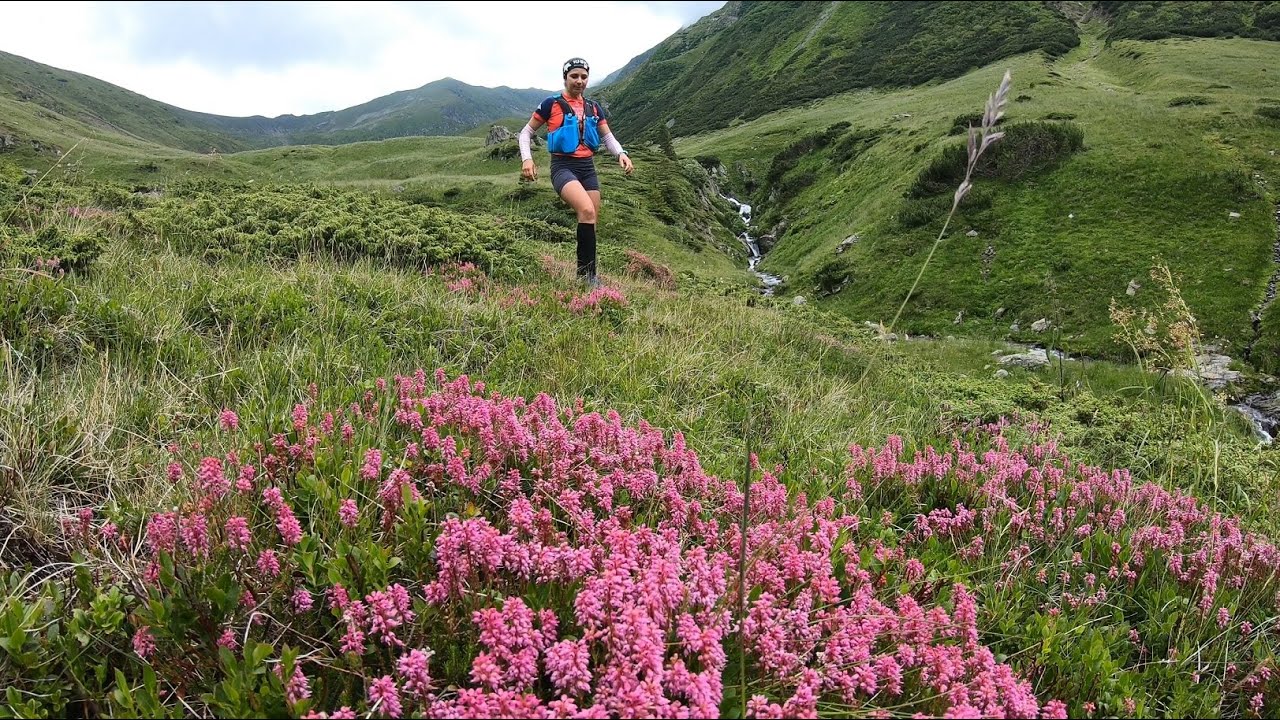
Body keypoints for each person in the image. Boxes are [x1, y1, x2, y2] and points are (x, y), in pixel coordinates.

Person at [519, 57, 634, 288]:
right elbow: (525, 133)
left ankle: (585, 274)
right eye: (574, 76)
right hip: (562, 167)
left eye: (583, 76)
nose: (579, 81)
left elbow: (607, 136)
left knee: (590, 219)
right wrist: (527, 159)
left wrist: (620, 153)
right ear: (565, 77)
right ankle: (589, 278)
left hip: (587, 168)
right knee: (586, 210)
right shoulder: (550, 104)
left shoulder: (593, 107)